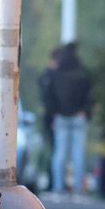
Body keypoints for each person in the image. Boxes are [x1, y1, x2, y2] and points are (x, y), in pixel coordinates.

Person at [46, 41, 94, 197]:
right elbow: (90, 94)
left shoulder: (56, 73)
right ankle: (79, 189)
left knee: (60, 153)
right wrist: (85, 111)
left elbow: (50, 96)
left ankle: (58, 188)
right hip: (79, 116)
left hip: (60, 116)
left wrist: (53, 114)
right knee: (78, 154)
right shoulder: (82, 72)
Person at [38, 47, 62, 180]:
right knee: (53, 149)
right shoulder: (52, 76)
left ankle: (49, 177)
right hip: (51, 117)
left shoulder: (45, 75)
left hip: (48, 116)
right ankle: (51, 178)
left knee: (51, 148)